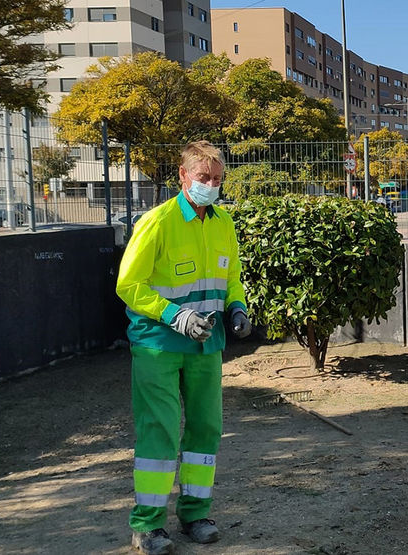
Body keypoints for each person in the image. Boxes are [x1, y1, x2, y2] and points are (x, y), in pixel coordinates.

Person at [116, 141, 253, 555]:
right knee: (158, 432)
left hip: (207, 345)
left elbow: (232, 277)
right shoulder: (157, 222)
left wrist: (237, 306)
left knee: (206, 429)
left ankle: (196, 514)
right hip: (158, 344)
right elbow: (128, 285)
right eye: (203, 178)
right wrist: (174, 315)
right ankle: (148, 526)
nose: (211, 185)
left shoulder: (223, 223)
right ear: (183, 176)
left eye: (216, 179)